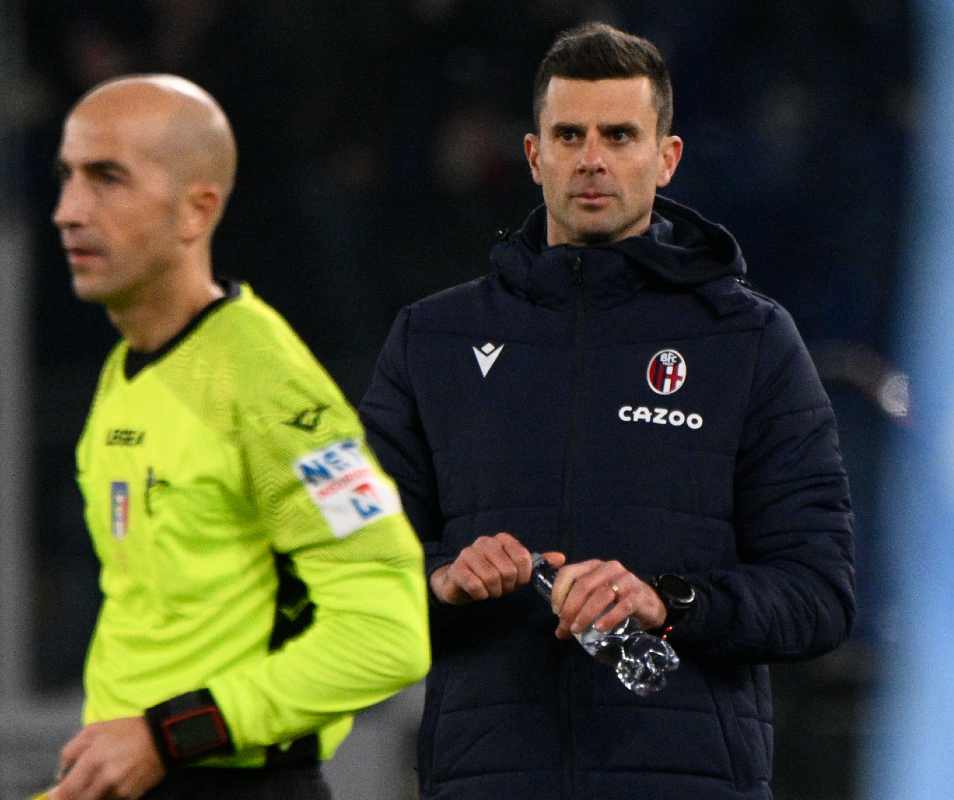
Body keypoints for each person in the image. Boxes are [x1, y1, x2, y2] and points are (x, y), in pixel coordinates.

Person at [360, 22, 855, 800]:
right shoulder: (434, 340)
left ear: (667, 157)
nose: (592, 158)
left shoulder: (750, 342)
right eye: (570, 135)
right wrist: (440, 582)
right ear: (534, 156)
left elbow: (819, 593)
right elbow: (349, 574)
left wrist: (669, 601)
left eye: (620, 135)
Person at [48, 74, 431, 800]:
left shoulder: (264, 383)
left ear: (197, 210)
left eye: (107, 179)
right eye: (67, 177)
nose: (68, 211)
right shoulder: (124, 371)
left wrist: (169, 735)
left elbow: (388, 633)